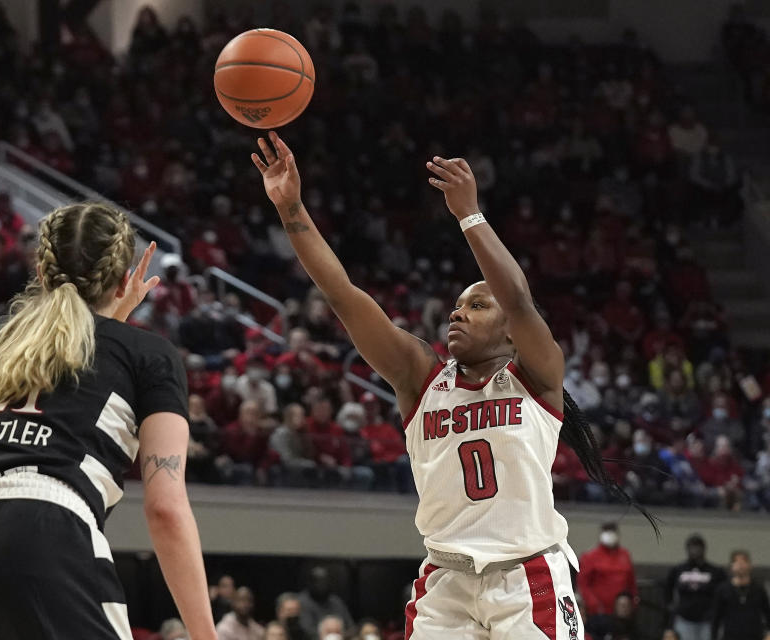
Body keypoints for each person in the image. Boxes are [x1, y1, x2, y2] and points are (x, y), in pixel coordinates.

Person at [252, 132, 648, 638]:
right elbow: (343, 296)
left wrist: (469, 215)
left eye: (478, 305)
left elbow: (519, 299)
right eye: (458, 306)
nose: (459, 312)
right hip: (445, 580)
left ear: (510, 331)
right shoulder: (421, 377)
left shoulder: (537, 377)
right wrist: (291, 210)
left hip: (527, 578)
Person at [0, 203, 216, 639]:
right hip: (43, 524)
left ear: (40, 270)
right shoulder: (147, 354)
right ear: (121, 279)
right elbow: (166, 508)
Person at [666, 534, 726, 640]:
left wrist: (718, 613)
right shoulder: (678, 569)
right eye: (692, 548)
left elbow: (724, 593)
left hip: (707, 621)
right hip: (684, 619)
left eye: (698, 548)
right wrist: (671, 607)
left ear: (704, 549)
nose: (695, 551)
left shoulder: (715, 571)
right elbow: (667, 589)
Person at [579, 523, 638, 618]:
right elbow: (583, 584)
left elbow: (631, 582)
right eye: (607, 532)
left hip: (622, 612)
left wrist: (632, 602)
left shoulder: (625, 555)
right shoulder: (590, 557)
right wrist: (594, 604)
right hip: (598, 613)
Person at [711, 550, 770, 640]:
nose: (740, 565)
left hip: (755, 636)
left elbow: (767, 613)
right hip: (730, 637)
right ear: (731, 566)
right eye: (737, 562)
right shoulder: (722, 590)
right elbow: (716, 619)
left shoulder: (759, 589)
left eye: (744, 562)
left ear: (750, 565)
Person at [297, 566, 354, 637]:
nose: (322, 586)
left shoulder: (336, 602)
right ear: (310, 583)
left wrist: (338, 635)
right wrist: (327, 635)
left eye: (325, 582)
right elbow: (306, 630)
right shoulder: (301, 602)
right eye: (318, 582)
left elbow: (351, 628)